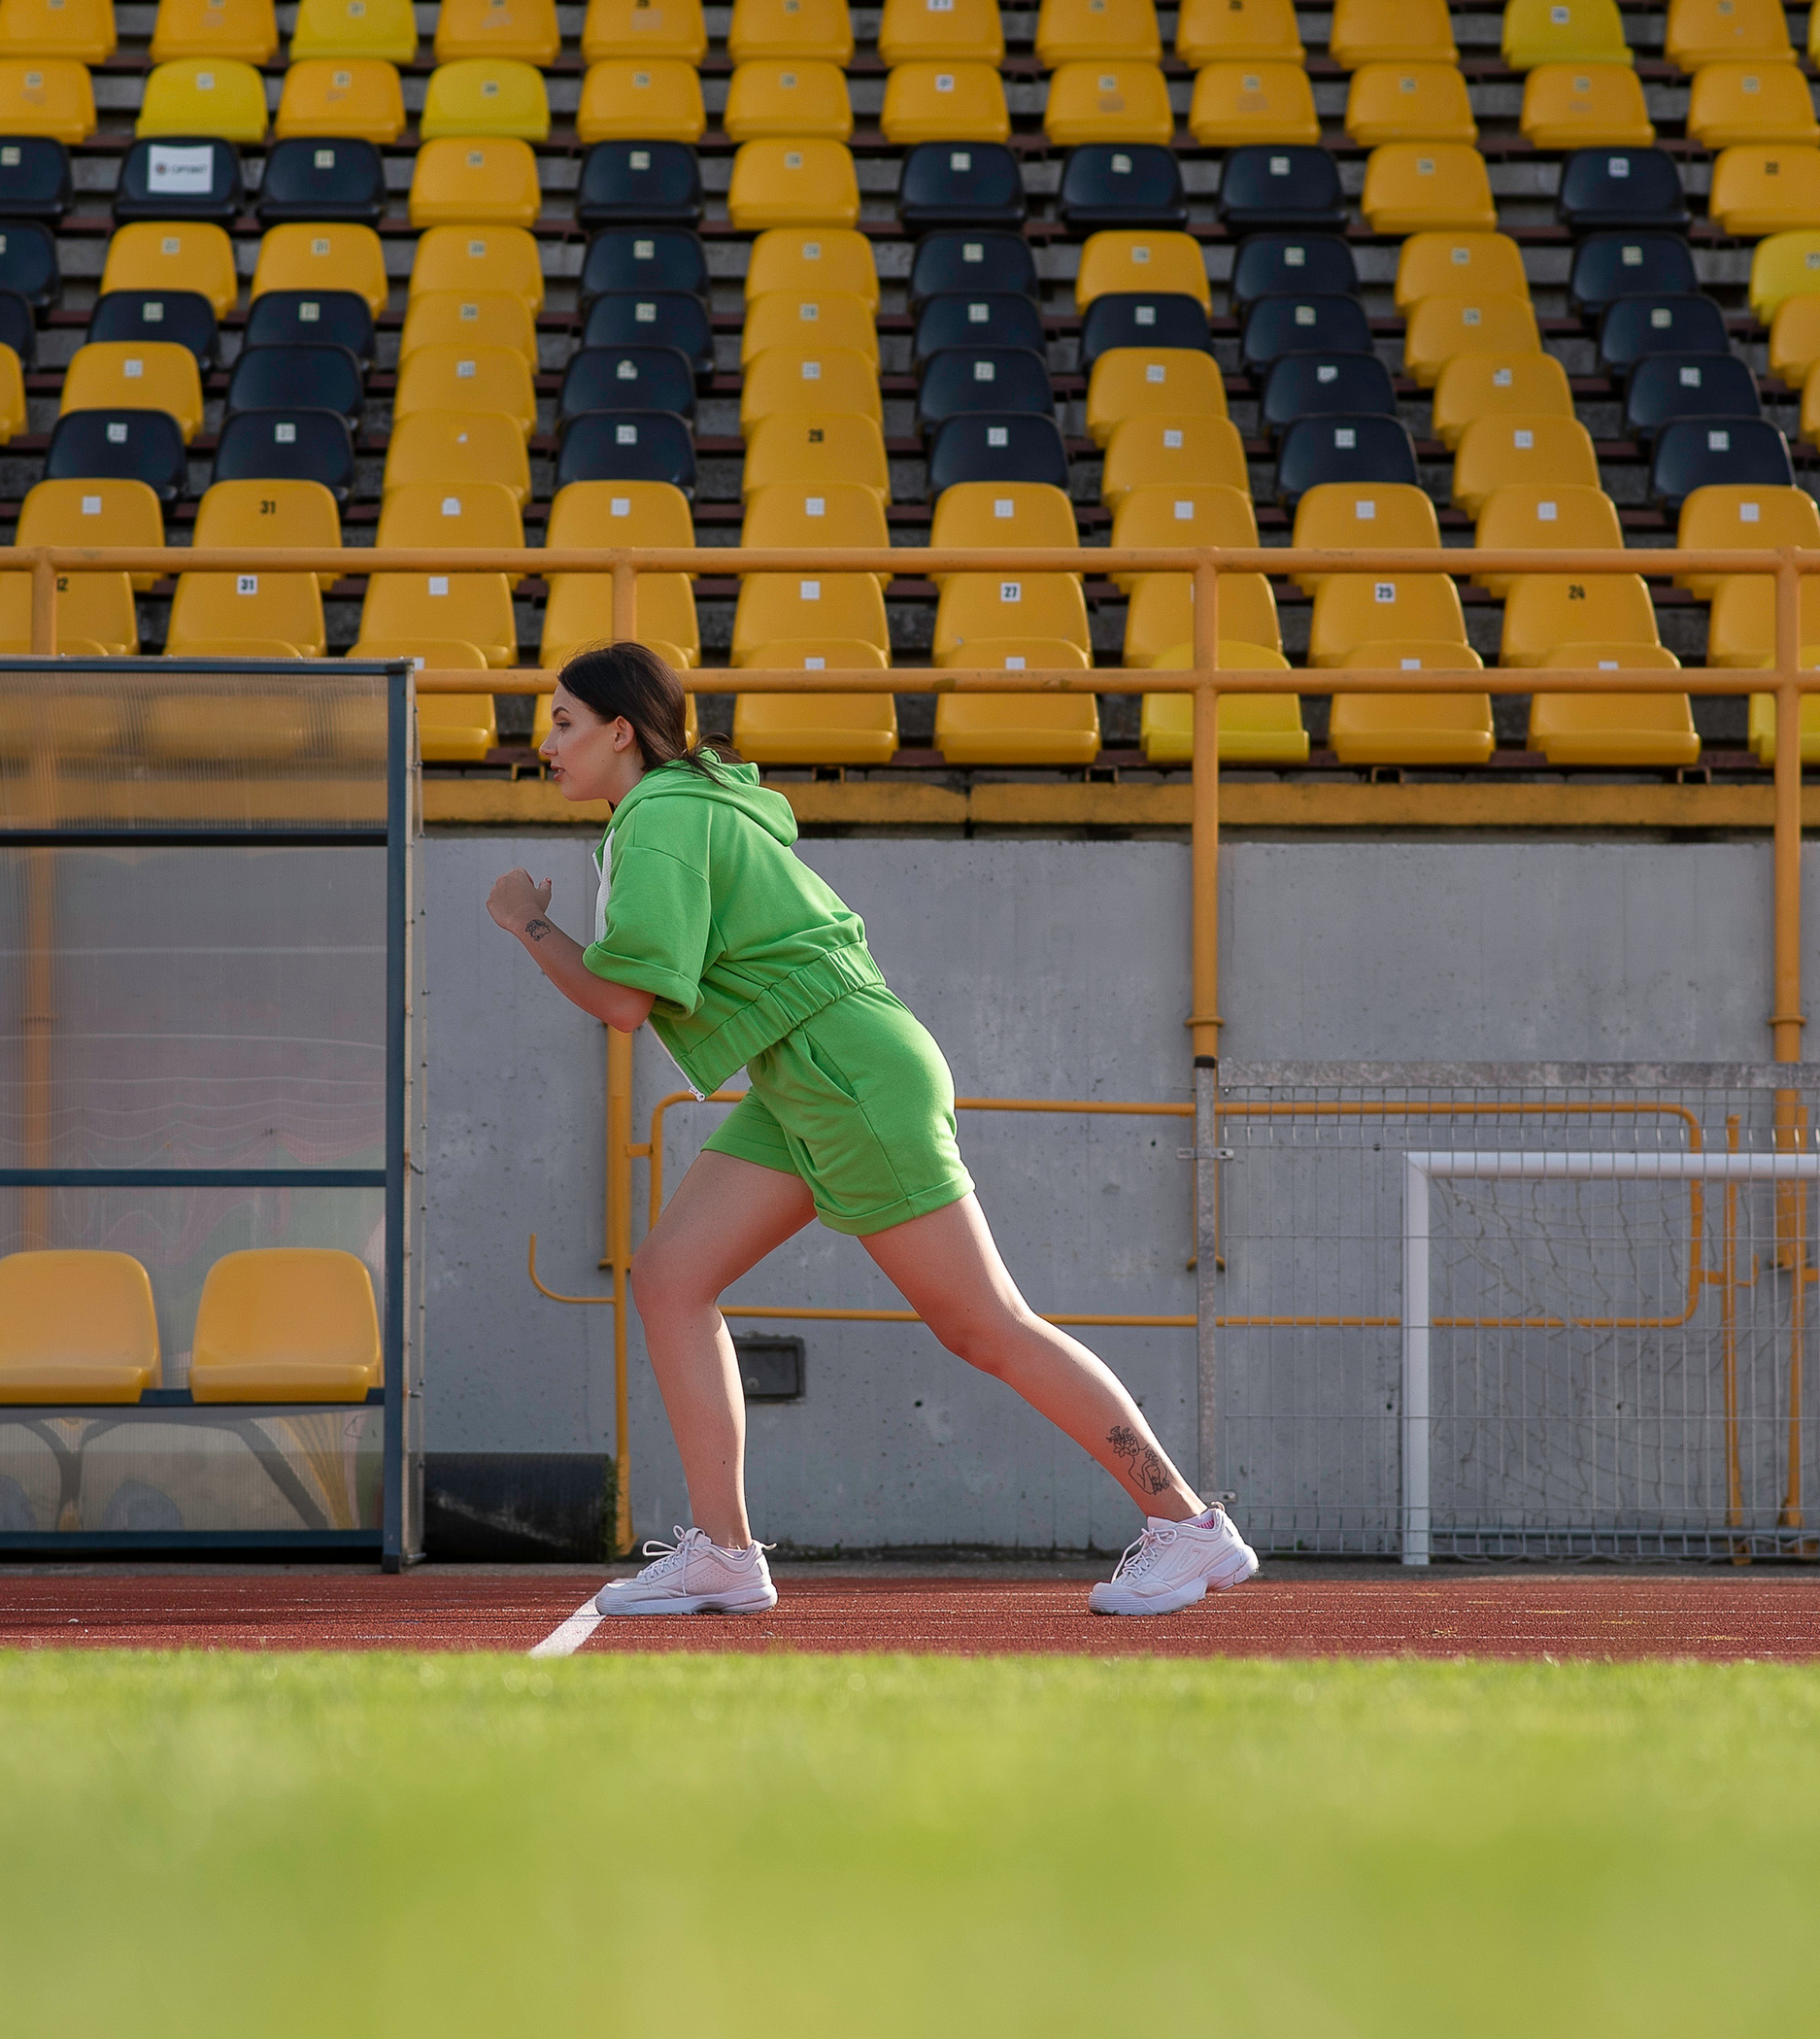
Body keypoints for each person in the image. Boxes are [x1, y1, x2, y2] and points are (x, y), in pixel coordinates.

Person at [483, 642, 1258, 1618]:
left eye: (560, 722)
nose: (542, 743)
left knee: (983, 1323)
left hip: (842, 1068)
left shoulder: (661, 817)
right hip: (803, 1068)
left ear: (619, 731)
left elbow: (627, 1002)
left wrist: (529, 926)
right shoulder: (687, 804)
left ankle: (1186, 1525)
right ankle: (724, 1550)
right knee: (672, 1277)